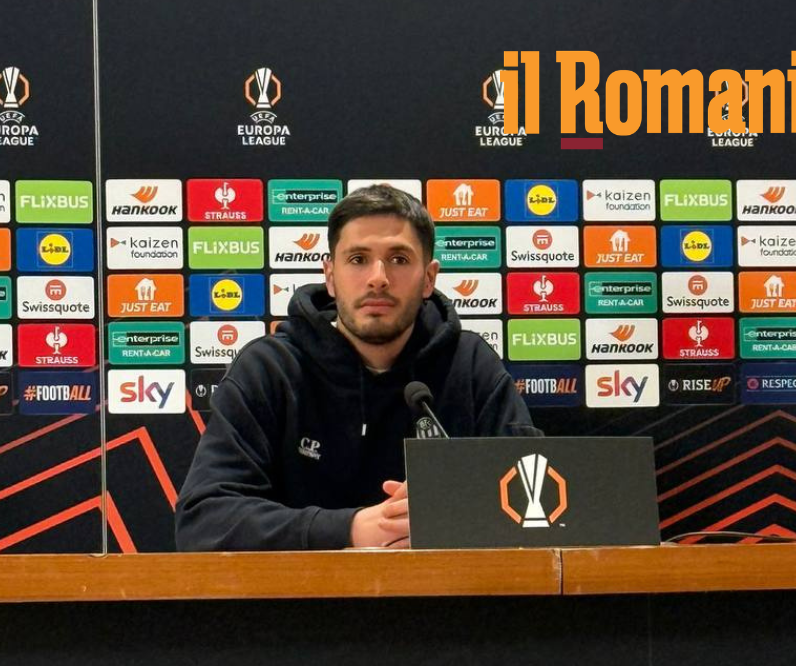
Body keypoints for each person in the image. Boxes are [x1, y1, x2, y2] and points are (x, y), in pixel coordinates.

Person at [175, 184, 536, 551]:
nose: (378, 277)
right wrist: (350, 529)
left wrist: (448, 515)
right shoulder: (269, 370)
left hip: (446, 587)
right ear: (330, 276)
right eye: (358, 259)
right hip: (305, 590)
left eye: (399, 259)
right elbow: (204, 520)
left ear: (429, 278)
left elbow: (535, 500)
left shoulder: (470, 366)